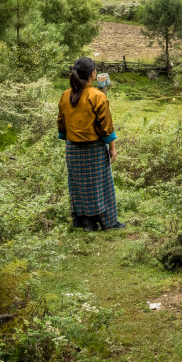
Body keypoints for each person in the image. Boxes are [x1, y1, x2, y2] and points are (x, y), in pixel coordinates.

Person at [57, 57, 125, 231]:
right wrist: (112, 148)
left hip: (72, 149)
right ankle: (108, 222)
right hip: (93, 148)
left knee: (80, 187)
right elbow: (106, 126)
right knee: (101, 185)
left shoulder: (66, 95)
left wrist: (69, 139)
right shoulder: (97, 96)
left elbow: (62, 124)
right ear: (92, 74)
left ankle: (87, 223)